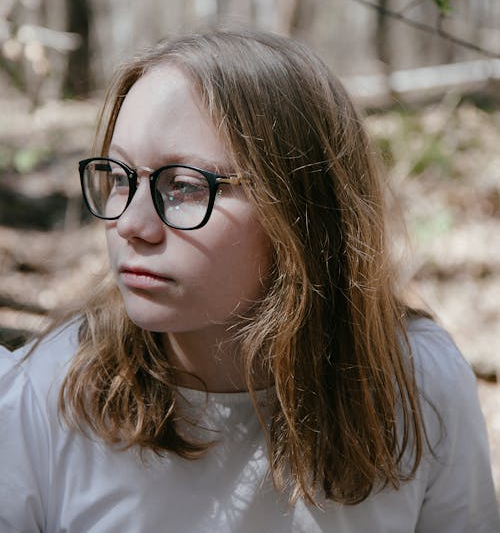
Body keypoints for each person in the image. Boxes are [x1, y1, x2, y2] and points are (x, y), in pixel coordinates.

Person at [0, 28, 498, 533]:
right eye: (122, 178)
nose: (131, 224)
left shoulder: (416, 383)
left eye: (185, 185)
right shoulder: (47, 395)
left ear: (304, 212)